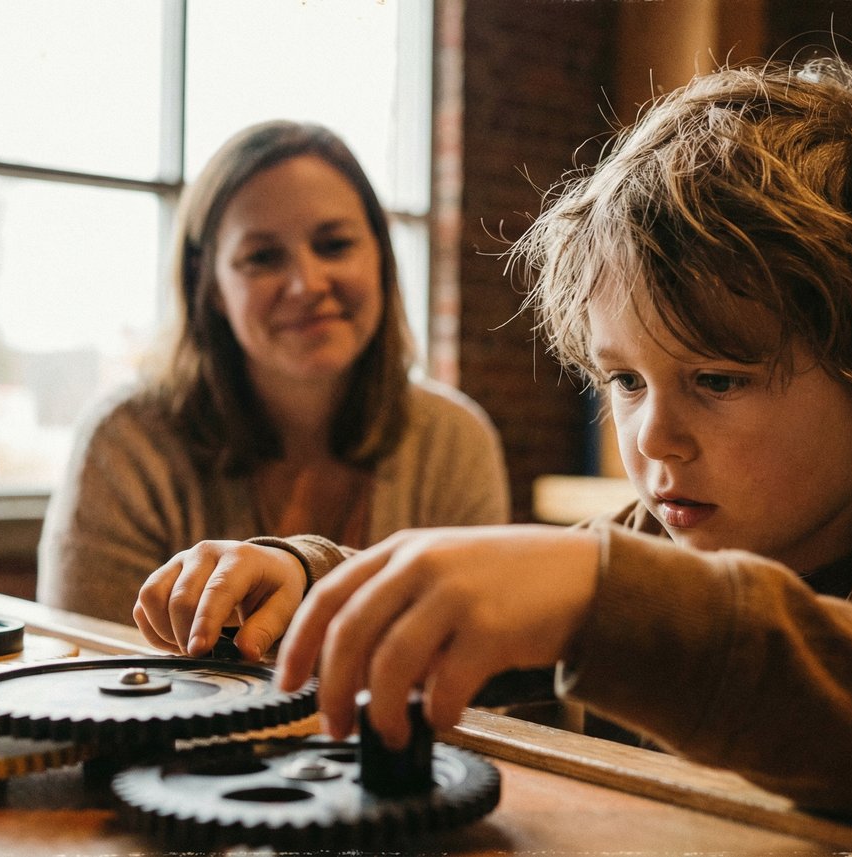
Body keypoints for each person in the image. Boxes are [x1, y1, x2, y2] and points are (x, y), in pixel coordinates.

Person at [136, 60, 852, 844]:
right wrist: (310, 578)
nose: (650, 436)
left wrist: (610, 594)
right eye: (627, 379)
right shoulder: (643, 541)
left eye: (717, 379)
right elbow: (473, 620)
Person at [39, 120, 509, 637]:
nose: (306, 284)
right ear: (210, 285)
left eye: (333, 244)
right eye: (262, 257)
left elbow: (475, 674)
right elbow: (89, 674)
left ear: (381, 257)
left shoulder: (456, 440)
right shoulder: (126, 445)